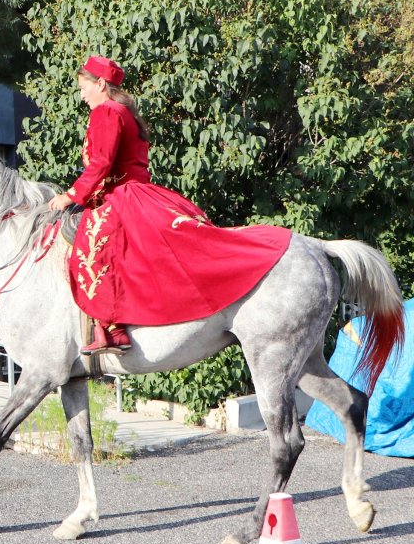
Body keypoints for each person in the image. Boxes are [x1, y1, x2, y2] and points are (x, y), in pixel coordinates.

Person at [47, 56, 291, 354]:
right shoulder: (124, 111)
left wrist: (70, 196)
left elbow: (101, 164)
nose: (82, 94)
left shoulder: (107, 111)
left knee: (94, 242)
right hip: (139, 192)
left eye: (84, 87)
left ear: (100, 84)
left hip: (122, 195)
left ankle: (113, 329)